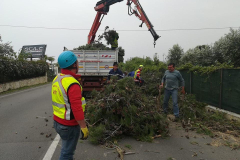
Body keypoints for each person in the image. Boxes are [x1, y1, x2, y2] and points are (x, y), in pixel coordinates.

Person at [52, 51, 89, 160]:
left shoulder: (57, 78)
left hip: (57, 121)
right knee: (67, 153)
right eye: (77, 62)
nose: (78, 64)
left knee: (65, 148)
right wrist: (83, 126)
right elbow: (76, 108)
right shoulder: (72, 83)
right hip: (68, 125)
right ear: (74, 65)